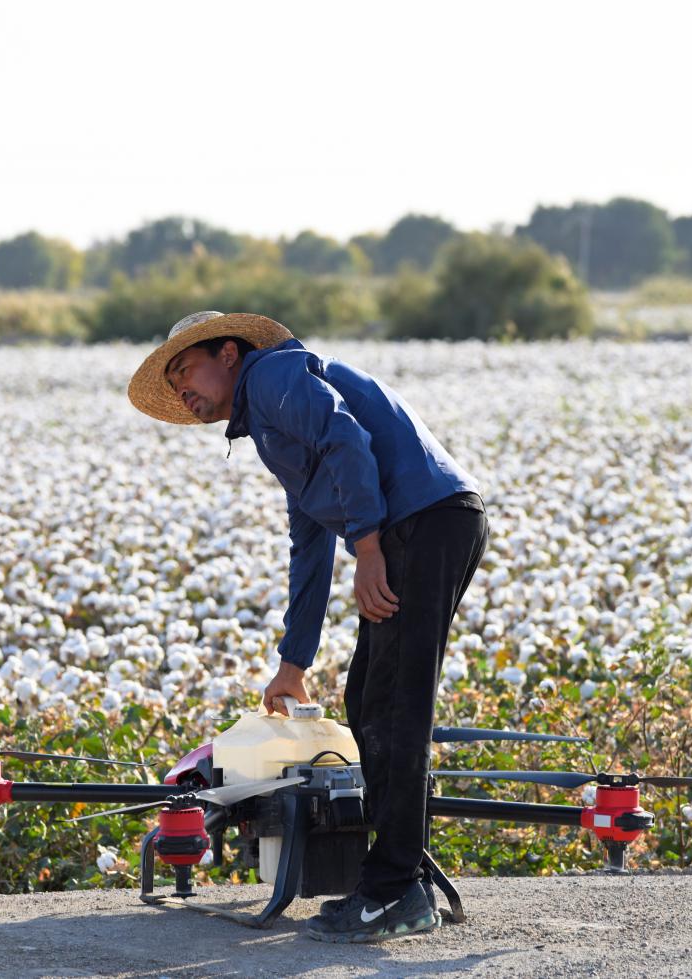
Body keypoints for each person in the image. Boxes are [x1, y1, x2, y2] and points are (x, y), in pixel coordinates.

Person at [128, 311, 488, 943]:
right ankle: (399, 875)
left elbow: (349, 441)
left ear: (231, 353)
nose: (184, 390)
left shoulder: (271, 377)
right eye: (175, 382)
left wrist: (370, 546)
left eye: (187, 369)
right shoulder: (274, 423)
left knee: (397, 704)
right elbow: (309, 547)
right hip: (422, 523)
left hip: (421, 522)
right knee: (369, 699)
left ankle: (394, 890)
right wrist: (293, 662)